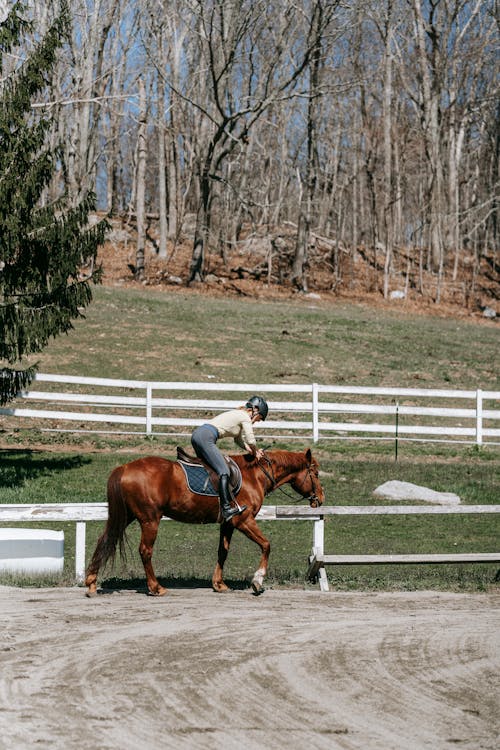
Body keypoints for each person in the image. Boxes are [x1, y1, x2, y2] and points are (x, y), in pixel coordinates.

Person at [191, 395, 268, 521]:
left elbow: (238, 440)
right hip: (206, 437)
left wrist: (250, 450)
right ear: (255, 410)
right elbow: (251, 440)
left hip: (199, 435)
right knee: (224, 471)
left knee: (210, 471)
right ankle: (226, 508)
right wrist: (255, 452)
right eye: (259, 418)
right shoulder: (245, 417)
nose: (257, 421)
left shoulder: (237, 414)